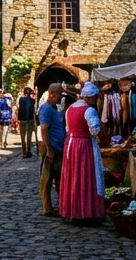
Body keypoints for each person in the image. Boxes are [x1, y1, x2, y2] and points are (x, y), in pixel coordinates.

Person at [59, 82, 106, 223]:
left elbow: (68, 128)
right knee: (86, 175)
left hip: (71, 145)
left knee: (73, 176)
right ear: (91, 98)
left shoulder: (70, 108)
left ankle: (73, 210)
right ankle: (86, 212)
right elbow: (95, 129)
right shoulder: (89, 110)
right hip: (84, 146)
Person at [38, 83, 66, 217]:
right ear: (53, 94)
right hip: (52, 147)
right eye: (60, 95)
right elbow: (44, 129)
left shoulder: (53, 108)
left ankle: (62, 205)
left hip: (57, 147)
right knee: (47, 178)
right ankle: (47, 207)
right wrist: (49, 149)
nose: (61, 98)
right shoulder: (46, 109)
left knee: (59, 177)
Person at [17, 87, 37, 158]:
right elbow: (34, 110)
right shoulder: (32, 100)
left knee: (22, 138)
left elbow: (18, 108)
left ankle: (24, 153)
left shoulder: (21, 99)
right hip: (30, 120)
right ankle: (29, 151)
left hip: (22, 120)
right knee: (29, 137)